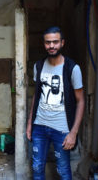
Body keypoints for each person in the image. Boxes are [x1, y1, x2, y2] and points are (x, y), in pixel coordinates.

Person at [26, 26, 85, 180]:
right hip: (39, 126)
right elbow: (36, 96)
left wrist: (73, 132)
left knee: (63, 171)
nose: (51, 46)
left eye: (55, 42)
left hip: (62, 129)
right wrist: (30, 123)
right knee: (37, 168)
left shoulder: (72, 68)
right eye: (48, 42)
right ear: (44, 44)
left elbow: (80, 101)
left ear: (62, 43)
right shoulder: (38, 66)